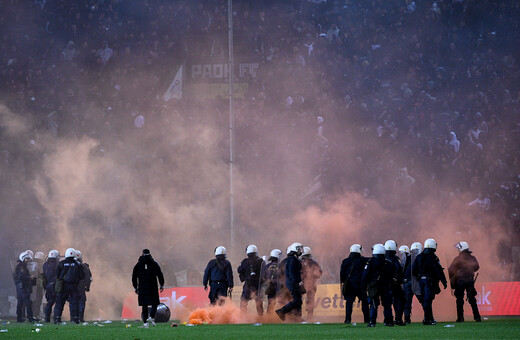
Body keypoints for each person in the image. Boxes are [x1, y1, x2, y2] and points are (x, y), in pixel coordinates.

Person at [412, 238, 447, 325]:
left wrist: (418, 278)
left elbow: (413, 270)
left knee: (425, 301)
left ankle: (429, 318)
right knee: (428, 301)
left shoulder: (418, 257)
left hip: (421, 282)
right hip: (429, 282)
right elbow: (439, 271)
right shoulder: (434, 258)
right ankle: (428, 320)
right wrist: (444, 282)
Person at [362, 243, 395, 327]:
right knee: (387, 305)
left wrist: (364, 286)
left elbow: (365, 275)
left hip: (374, 286)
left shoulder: (370, 262)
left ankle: (372, 322)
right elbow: (392, 275)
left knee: (373, 304)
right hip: (385, 286)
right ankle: (389, 321)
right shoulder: (389, 263)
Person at [448, 241, 481, 322]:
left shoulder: (457, 259)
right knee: (472, 299)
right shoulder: (472, 258)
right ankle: (477, 317)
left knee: (459, 299)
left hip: (460, 281)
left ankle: (460, 318)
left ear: (461, 248)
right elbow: (477, 267)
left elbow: (451, 270)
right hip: (470, 280)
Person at [132, 249, 164, 327]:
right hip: (152, 287)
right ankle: (151, 317)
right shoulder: (154, 264)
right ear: (150, 254)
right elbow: (160, 274)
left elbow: (134, 277)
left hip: (142, 288)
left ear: (142, 254)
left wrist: (135, 287)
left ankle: (145, 323)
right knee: (155, 303)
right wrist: (162, 284)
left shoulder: (138, 265)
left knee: (144, 305)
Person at [340, 244, 370, 324]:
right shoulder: (363, 260)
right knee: (365, 302)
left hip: (349, 285)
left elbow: (342, 274)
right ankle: (367, 319)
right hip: (360, 285)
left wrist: (344, 282)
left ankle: (347, 319)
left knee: (349, 302)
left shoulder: (345, 261)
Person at [54, 248, 85, 324]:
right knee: (75, 302)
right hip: (74, 286)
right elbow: (82, 276)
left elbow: (57, 274)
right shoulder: (78, 264)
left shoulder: (61, 263)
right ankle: (76, 319)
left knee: (60, 302)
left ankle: (57, 318)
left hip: (64, 286)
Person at [276, 242, 304, 321]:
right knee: (297, 301)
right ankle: (282, 311)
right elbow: (293, 273)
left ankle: (297, 318)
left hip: (291, 282)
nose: (300, 250)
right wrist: (298, 282)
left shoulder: (290, 259)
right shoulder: (293, 260)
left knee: (298, 301)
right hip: (293, 283)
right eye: (298, 249)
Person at [237, 244, 264, 316]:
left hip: (248, 284)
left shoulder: (245, 261)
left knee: (244, 301)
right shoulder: (260, 261)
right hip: (258, 284)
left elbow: (239, 270)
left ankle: (242, 316)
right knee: (259, 302)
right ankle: (261, 317)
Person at [385, 240, 406, 326]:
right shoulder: (395, 259)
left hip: (385, 284)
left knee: (387, 302)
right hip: (394, 284)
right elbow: (399, 269)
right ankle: (398, 319)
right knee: (401, 300)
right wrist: (398, 280)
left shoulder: (382, 258)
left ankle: (387, 320)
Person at [14, 251, 37, 322]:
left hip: (20, 287)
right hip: (23, 287)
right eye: (26, 259)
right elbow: (22, 277)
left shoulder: (20, 266)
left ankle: (19, 318)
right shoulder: (22, 267)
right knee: (28, 302)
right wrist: (30, 277)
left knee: (20, 303)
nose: (28, 261)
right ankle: (30, 318)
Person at [301, 246, 322, 320]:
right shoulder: (314, 263)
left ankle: (297, 316)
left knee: (298, 300)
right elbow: (319, 274)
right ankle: (309, 317)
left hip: (301, 284)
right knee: (310, 300)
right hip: (312, 285)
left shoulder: (299, 262)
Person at [262, 249, 282, 314]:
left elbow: (263, 277)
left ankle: (269, 317)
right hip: (279, 287)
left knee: (270, 304)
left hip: (270, 288)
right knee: (281, 303)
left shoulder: (267, 266)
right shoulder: (281, 266)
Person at [42, 250, 60, 323]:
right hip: (54, 285)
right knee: (58, 301)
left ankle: (47, 317)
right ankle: (56, 317)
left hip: (47, 285)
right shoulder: (56, 265)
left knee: (49, 301)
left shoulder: (45, 264)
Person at [75, 250, 92, 323]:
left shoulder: (68, 265)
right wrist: (87, 287)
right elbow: (88, 278)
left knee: (73, 302)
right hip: (81, 287)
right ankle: (80, 317)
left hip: (72, 287)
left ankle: (73, 317)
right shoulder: (84, 266)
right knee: (81, 302)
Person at [31, 251, 46, 318]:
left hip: (32, 285)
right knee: (38, 300)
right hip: (39, 286)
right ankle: (35, 315)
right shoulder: (40, 266)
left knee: (33, 300)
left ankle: (32, 314)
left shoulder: (31, 264)